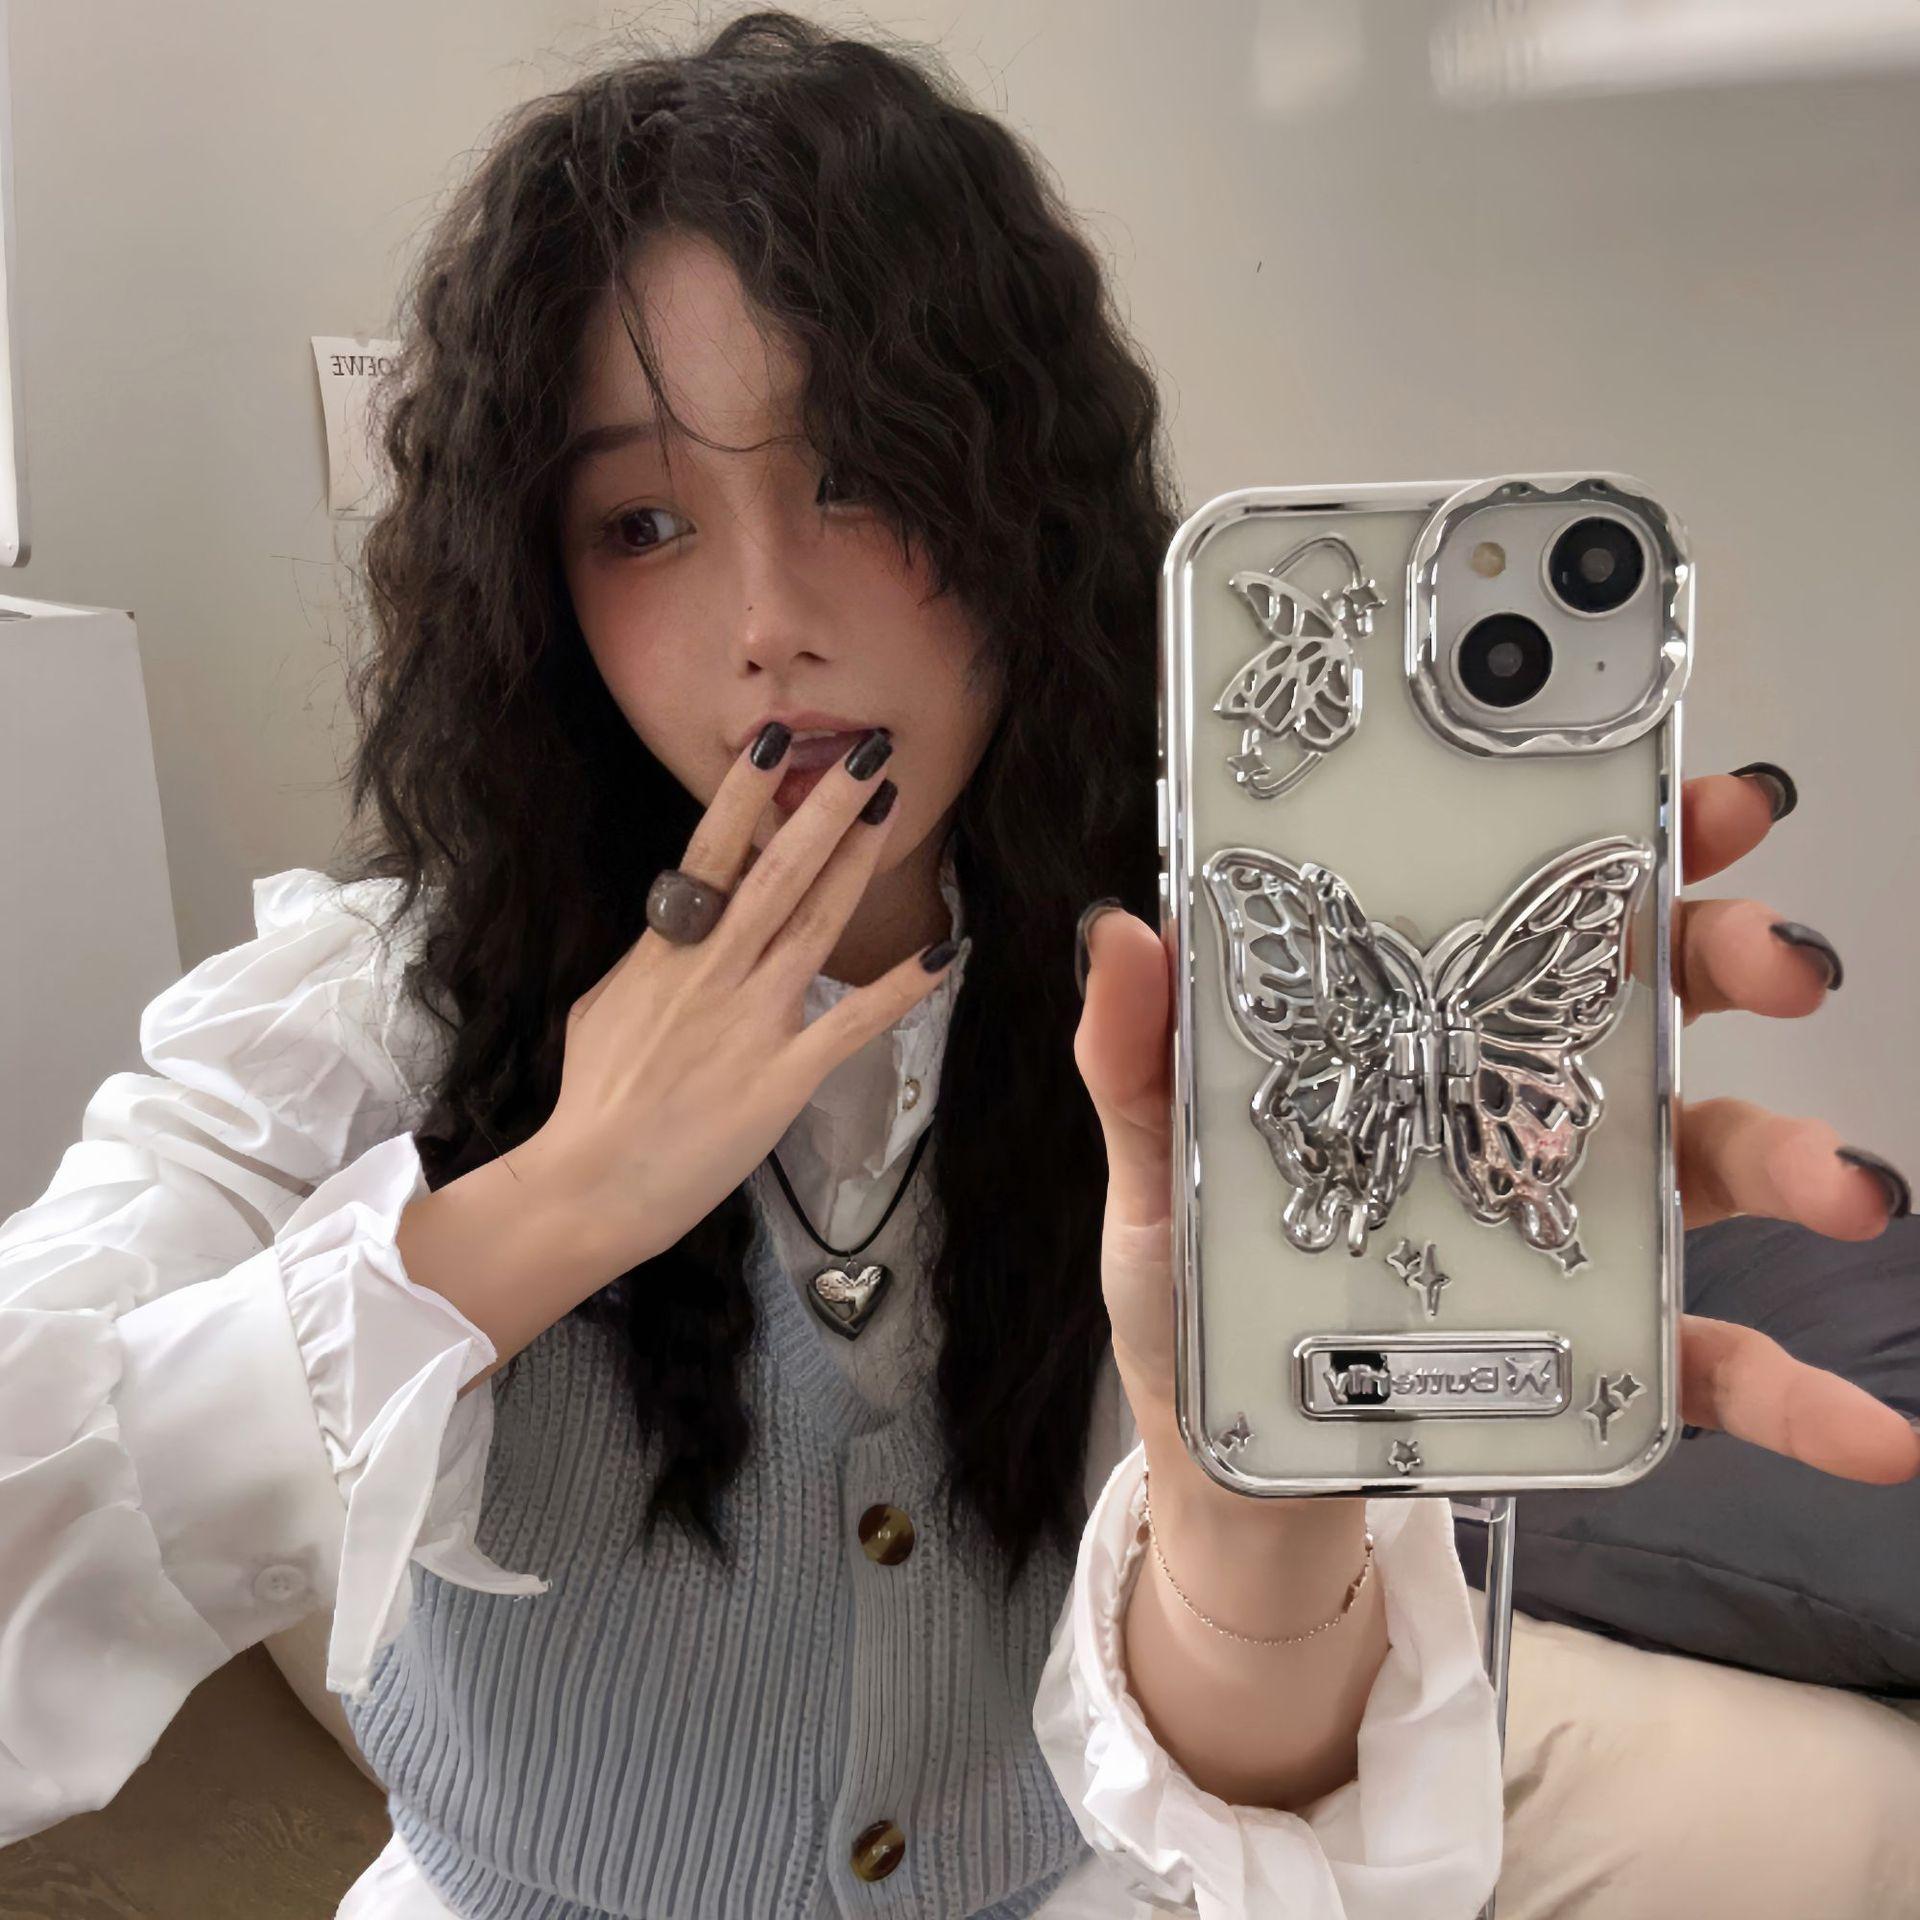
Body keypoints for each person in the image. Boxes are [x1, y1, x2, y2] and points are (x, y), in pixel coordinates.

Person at [1, 13, 1913, 1917]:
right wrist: (550, 1204)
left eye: (864, 475)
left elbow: (1262, 1804)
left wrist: (1250, 1510)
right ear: (535, 577)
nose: (769, 623)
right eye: (643, 521)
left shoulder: (1192, 1031)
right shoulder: (370, 1019)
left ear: (1024, 514)